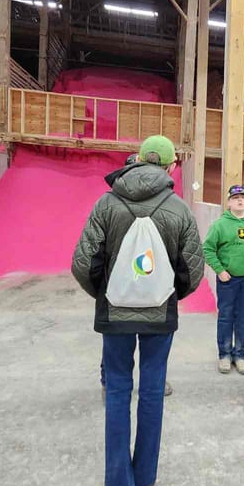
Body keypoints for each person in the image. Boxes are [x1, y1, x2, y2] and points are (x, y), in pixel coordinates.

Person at [72, 135, 205, 486]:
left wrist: (106, 296)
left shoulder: (106, 202)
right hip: (159, 318)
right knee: (151, 393)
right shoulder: (179, 209)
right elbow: (193, 272)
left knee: (116, 391)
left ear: (135, 161)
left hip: (115, 315)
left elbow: (83, 264)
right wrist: (167, 296)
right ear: (171, 166)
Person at [99, 152, 174, 398]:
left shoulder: (108, 203)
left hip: (118, 299)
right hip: (157, 301)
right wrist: (169, 290)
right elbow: (188, 262)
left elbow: (87, 259)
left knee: (116, 359)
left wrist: (105, 290)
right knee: (152, 363)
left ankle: (109, 380)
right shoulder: (173, 205)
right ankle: (126, 380)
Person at [203, 184, 244, 375]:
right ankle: (224, 355)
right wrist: (220, 270)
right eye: (236, 197)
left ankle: (239, 354)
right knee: (226, 316)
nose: (240, 200)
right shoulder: (220, 225)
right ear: (229, 201)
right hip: (228, 280)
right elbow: (207, 249)